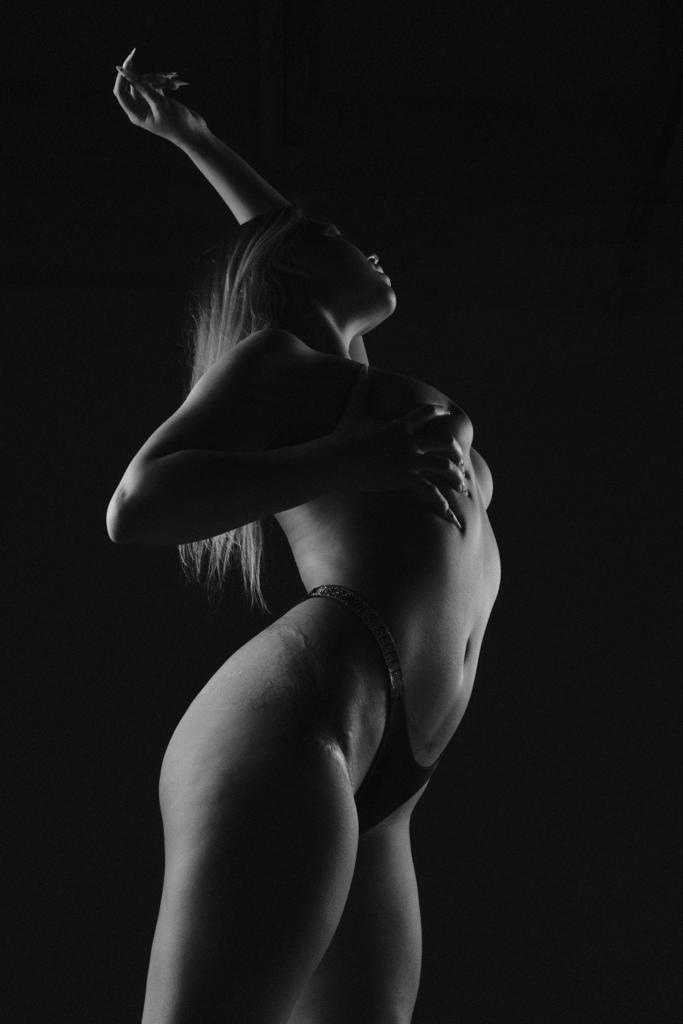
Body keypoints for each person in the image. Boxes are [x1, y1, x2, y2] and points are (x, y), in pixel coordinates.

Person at [110, 49, 501, 1024]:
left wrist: (195, 139)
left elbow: (285, 247)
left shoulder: (346, 380)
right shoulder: (276, 363)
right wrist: (351, 461)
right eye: (334, 239)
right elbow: (138, 505)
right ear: (292, 271)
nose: (369, 251)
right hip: (300, 716)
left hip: (390, 781)